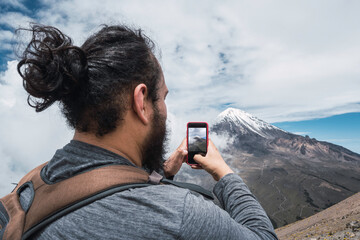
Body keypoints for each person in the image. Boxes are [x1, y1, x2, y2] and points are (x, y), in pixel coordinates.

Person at [15, 24, 278, 239]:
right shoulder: (179, 214)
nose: (164, 109)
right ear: (141, 101)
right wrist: (224, 172)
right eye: (162, 97)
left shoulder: (30, 188)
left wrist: (166, 172)